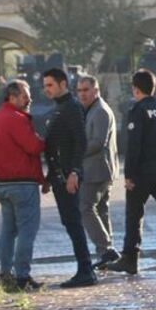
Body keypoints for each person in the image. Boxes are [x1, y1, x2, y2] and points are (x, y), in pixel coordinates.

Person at [107, 70, 156, 275]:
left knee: (134, 215)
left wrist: (129, 175)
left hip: (143, 172)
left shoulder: (137, 111)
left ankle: (130, 259)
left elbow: (134, 145)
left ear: (135, 88)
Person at [0, 80, 46, 291]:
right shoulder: (17, 119)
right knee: (27, 231)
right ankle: (22, 276)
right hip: (22, 184)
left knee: (8, 231)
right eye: (24, 96)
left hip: (2, 184)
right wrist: (43, 141)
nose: (28, 99)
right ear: (12, 97)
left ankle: (5, 273)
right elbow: (33, 147)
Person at [42, 67, 96, 288]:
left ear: (63, 84)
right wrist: (48, 176)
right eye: (45, 86)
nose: (47, 90)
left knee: (73, 222)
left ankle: (86, 270)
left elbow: (80, 141)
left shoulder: (71, 107)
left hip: (67, 176)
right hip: (58, 175)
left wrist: (75, 171)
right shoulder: (58, 108)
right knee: (70, 221)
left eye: (50, 85)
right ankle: (84, 268)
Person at [75, 75, 120, 270]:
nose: (82, 94)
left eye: (86, 90)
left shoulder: (100, 111)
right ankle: (105, 253)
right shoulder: (92, 110)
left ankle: (106, 249)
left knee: (86, 208)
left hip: (97, 169)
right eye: (79, 90)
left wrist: (75, 152)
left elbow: (97, 142)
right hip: (100, 168)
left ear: (96, 90)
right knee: (101, 210)